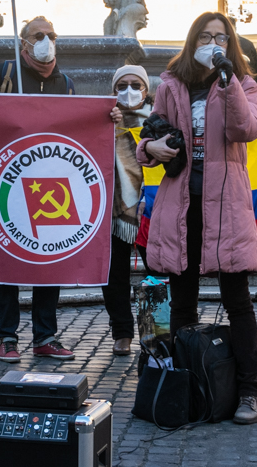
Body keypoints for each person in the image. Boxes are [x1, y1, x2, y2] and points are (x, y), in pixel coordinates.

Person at [137, 12, 257, 425]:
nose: (213, 44)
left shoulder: (242, 83)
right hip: (181, 207)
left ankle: (249, 391)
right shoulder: (171, 85)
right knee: (182, 301)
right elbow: (148, 137)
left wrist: (228, 83)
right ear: (192, 42)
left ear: (231, 45)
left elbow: (246, 129)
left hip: (226, 209)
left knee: (237, 301)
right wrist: (150, 148)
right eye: (206, 37)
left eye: (221, 38)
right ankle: (187, 387)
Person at [0, 16, 75, 362]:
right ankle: (7, 337)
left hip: (50, 183)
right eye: (39, 35)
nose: (46, 40)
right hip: (7, 183)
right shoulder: (3, 74)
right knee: (8, 264)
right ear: (24, 43)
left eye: (51, 34)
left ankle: (44, 336)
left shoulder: (66, 84)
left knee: (49, 262)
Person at [105, 65, 154, 357]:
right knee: (115, 275)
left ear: (146, 90)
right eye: (122, 85)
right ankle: (122, 332)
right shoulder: (104, 119)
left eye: (136, 84)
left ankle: (153, 332)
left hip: (151, 207)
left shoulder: (159, 117)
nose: (129, 90)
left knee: (156, 272)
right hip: (115, 209)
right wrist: (107, 125)